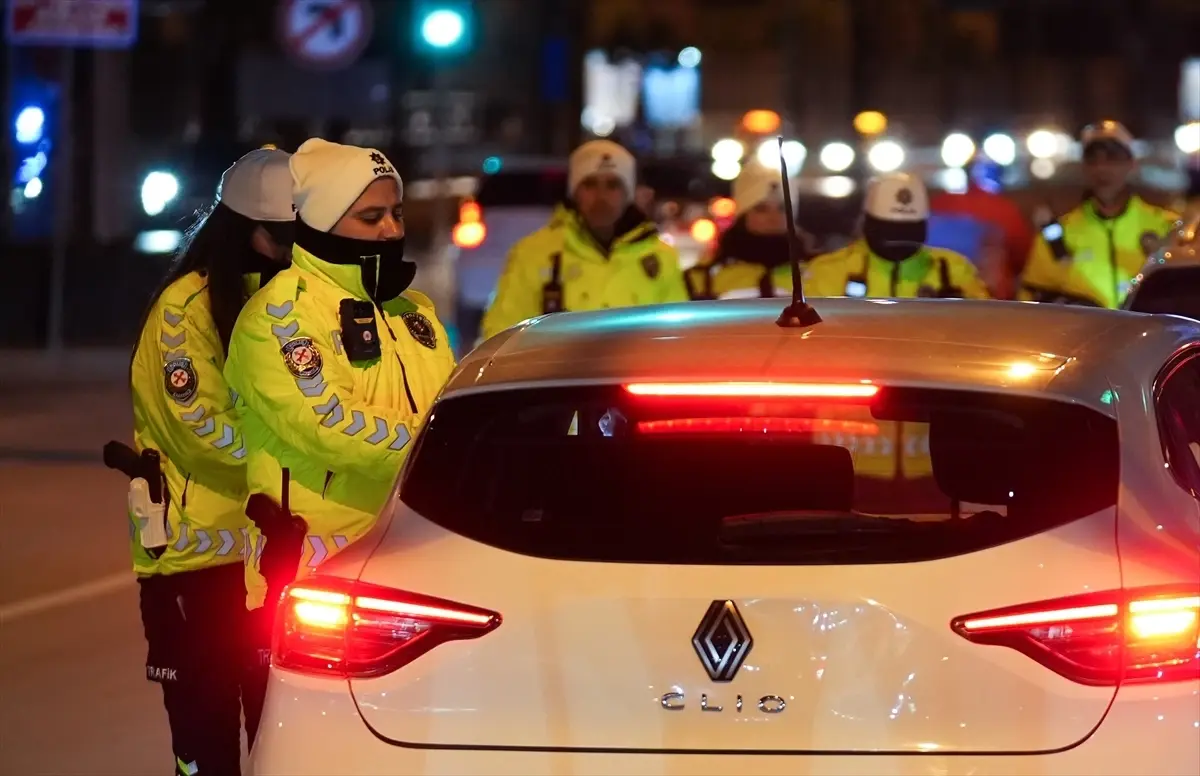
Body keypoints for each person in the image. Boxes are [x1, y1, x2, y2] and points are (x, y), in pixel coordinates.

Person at [223, 138, 457, 705]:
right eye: (371, 216)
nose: (390, 230)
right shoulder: (279, 316)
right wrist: (448, 450)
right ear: (325, 221)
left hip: (418, 571)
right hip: (313, 582)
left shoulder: (414, 311)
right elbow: (333, 426)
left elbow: (453, 405)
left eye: (396, 213)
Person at [126, 147, 295, 776]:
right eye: (276, 235)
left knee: (288, 747)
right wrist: (298, 464)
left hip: (278, 560)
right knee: (206, 749)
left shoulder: (295, 302)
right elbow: (198, 429)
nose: (286, 249)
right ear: (236, 227)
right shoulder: (185, 310)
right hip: (198, 563)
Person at [479, 139, 688, 340]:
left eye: (613, 184)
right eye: (589, 184)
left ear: (628, 193)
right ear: (574, 192)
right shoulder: (533, 255)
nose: (601, 196)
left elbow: (678, 338)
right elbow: (501, 336)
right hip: (559, 376)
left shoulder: (660, 258)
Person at [1018, 120, 1180, 308]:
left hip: (1153, 335)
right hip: (1087, 336)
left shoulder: (1167, 226)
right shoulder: (1059, 234)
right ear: (1084, 167)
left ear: (1131, 164)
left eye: (1113, 158)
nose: (1102, 169)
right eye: (1093, 159)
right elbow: (1032, 297)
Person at [802, 172, 990, 300]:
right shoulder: (828, 273)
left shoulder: (953, 271)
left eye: (909, 229)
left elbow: (985, 327)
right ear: (867, 223)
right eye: (888, 228)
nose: (898, 239)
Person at [683, 162, 806, 300]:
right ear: (743, 215)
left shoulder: (818, 270)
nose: (774, 217)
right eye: (761, 209)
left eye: (783, 209)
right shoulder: (703, 278)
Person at [929, 155, 1034, 299]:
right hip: (992, 297)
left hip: (936, 291)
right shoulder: (1003, 208)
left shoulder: (938, 204)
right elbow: (1023, 255)